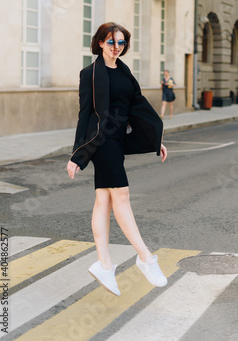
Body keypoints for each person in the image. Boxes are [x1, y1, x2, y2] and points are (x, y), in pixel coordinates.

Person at [66, 22, 168, 297]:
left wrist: (154, 138)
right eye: (111, 42)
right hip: (102, 141)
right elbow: (85, 114)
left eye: (121, 43)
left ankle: (104, 265)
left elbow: (138, 104)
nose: (116, 48)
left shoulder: (124, 72)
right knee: (120, 195)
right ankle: (146, 257)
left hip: (119, 139)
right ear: (100, 43)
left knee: (104, 198)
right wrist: (78, 154)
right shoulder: (90, 73)